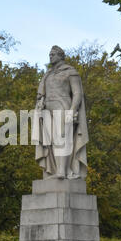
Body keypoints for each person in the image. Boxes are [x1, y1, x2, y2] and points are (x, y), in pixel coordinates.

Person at [32, 45, 88, 180]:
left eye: (53, 54)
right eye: (50, 54)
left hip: (63, 107)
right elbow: (42, 95)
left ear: (60, 56)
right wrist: (40, 104)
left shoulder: (70, 72)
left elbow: (77, 93)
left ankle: (62, 171)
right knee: (50, 142)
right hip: (47, 110)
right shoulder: (48, 74)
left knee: (62, 139)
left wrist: (72, 111)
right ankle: (58, 170)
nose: (50, 57)